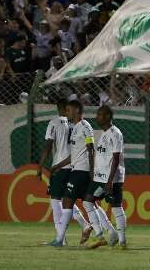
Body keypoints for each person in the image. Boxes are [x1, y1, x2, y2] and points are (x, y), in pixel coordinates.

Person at [37, 99, 91, 246]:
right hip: (73, 166)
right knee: (68, 199)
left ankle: (61, 239)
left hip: (60, 166)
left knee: (55, 201)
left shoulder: (54, 123)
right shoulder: (75, 124)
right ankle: (84, 224)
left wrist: (40, 166)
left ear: (58, 108)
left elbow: (47, 147)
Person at [82, 105, 128, 249]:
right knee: (88, 200)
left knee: (115, 206)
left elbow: (115, 158)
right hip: (100, 178)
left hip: (111, 178)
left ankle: (122, 240)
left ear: (108, 116)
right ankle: (105, 234)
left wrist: (110, 181)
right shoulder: (104, 134)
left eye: (100, 115)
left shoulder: (115, 133)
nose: (97, 117)